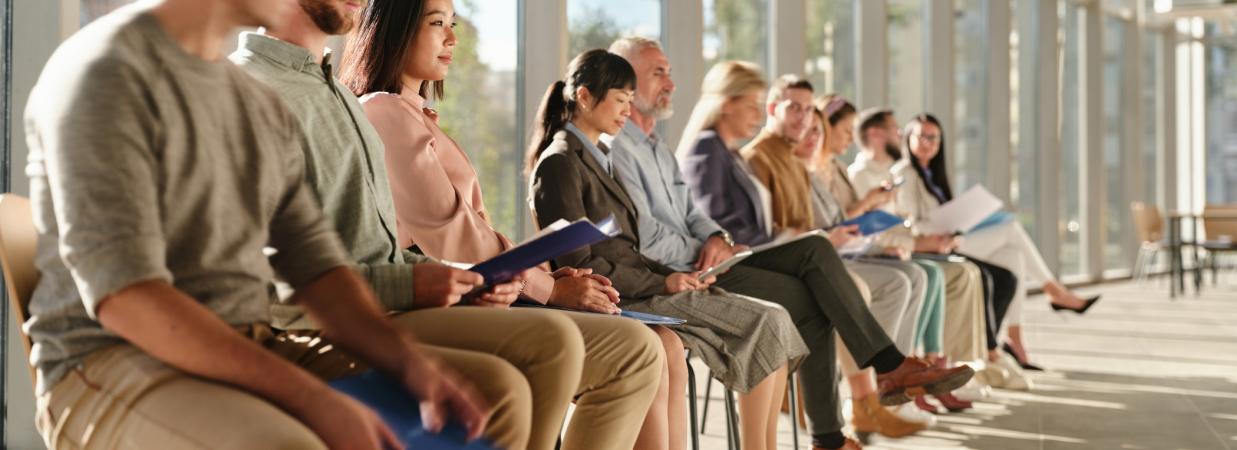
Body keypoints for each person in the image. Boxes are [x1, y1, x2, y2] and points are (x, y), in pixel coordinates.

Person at [23, 1, 498, 449]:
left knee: (491, 395)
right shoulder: (109, 69)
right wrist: (312, 398)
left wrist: (409, 364)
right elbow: (130, 300)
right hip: (111, 358)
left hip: (245, 338)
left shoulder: (253, 99)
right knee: (289, 445)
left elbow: (314, 265)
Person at [232, 2, 666, 449]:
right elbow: (291, 276)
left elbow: (381, 250)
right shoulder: (272, 93)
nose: (452, 39)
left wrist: (458, 279)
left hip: (385, 298)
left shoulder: (338, 97)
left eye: (451, 24)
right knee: (566, 348)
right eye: (437, 23)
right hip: (346, 317)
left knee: (632, 347)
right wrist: (526, 285)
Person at [674, 61, 975, 450]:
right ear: (726, 104)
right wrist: (789, 237)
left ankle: (830, 436)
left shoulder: (727, 152)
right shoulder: (707, 150)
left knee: (816, 300)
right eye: (752, 105)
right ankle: (887, 369)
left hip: (749, 255)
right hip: (725, 267)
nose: (756, 114)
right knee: (816, 250)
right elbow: (719, 226)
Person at [527, 48, 808, 450]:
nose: (626, 111)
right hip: (617, 295)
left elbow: (627, 247)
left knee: (753, 323)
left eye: (629, 100)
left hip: (640, 285)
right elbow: (581, 264)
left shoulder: (597, 157)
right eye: (620, 100)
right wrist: (662, 282)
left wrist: (670, 277)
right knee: (758, 322)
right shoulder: (560, 162)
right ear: (585, 97)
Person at [811, 94, 982, 413]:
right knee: (911, 278)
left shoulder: (840, 169)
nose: (850, 138)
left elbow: (851, 221)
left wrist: (876, 210)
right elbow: (836, 225)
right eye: (846, 130)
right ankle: (888, 378)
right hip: (847, 256)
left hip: (858, 250)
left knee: (929, 275)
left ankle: (912, 372)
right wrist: (873, 210)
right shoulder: (842, 172)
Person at [895, 113, 1100, 372]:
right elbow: (910, 223)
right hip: (932, 246)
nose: (928, 143)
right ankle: (1055, 292)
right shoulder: (905, 172)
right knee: (1011, 230)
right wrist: (944, 228)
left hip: (951, 240)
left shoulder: (933, 175)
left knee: (1013, 256)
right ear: (908, 138)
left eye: (933, 138)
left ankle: (1015, 339)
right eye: (922, 136)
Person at [850, 108, 1028, 391]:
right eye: (903, 131)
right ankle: (931, 365)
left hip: (918, 246)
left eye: (934, 138)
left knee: (998, 267)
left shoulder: (917, 174)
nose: (926, 143)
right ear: (875, 134)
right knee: (950, 275)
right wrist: (922, 241)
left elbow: (896, 224)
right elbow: (892, 227)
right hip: (900, 250)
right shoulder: (889, 173)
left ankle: (951, 361)